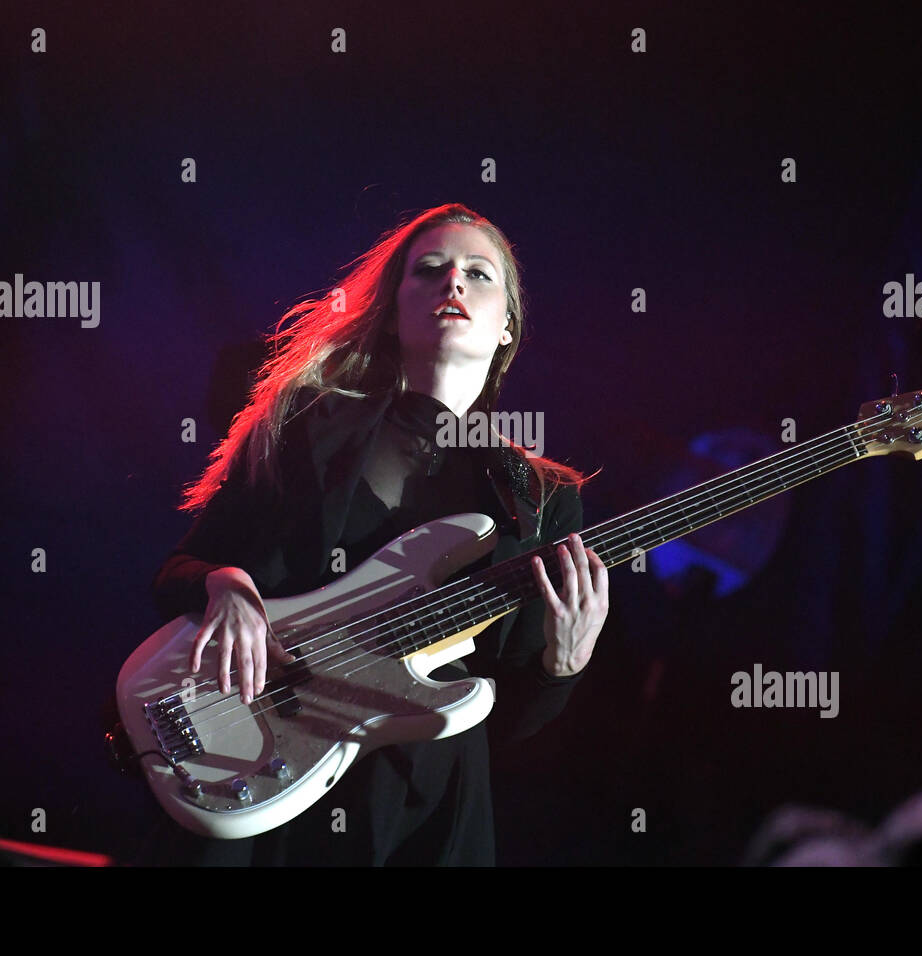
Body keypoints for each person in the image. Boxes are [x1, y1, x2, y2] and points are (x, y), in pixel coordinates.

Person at [145, 202, 608, 866]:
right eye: (430, 269)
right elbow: (177, 571)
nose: (453, 284)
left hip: (411, 815)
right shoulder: (304, 427)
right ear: (393, 308)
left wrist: (562, 669)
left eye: (479, 274)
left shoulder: (542, 497)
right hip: (259, 760)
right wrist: (226, 585)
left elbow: (503, 724)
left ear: (507, 325)